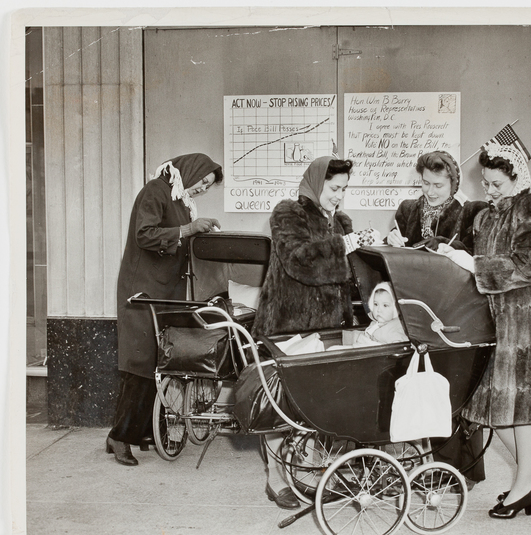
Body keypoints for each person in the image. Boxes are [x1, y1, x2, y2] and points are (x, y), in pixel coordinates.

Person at [437, 141, 531, 518]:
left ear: (516, 179)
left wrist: (474, 264)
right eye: (486, 184)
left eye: (497, 185)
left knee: (522, 407)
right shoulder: (487, 216)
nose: (489, 191)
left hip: (528, 326)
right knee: (492, 408)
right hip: (496, 322)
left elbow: (528, 266)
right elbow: (478, 266)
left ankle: (523, 486)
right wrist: (453, 259)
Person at [250, 156, 379, 509]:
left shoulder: (342, 222)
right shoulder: (287, 212)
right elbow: (300, 261)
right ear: (317, 183)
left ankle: (315, 467)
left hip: (329, 326)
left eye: (344, 190)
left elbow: (350, 274)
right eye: (334, 189)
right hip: (287, 325)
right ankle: (276, 479)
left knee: (322, 404)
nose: (339, 196)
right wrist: (346, 246)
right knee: (280, 409)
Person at [106, 153, 223, 466]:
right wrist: (188, 229)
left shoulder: (179, 200)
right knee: (140, 365)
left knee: (158, 364)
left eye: (208, 187)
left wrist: (197, 232)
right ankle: (119, 437)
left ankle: (144, 430)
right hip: (141, 293)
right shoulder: (156, 191)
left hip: (162, 293)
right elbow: (144, 235)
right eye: (202, 181)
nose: (202, 189)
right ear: (191, 171)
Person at [386, 150, 488, 487]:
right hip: (415, 308)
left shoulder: (470, 212)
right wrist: (394, 240)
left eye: (438, 185)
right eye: (426, 183)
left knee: (452, 391)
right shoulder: (406, 210)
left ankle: (458, 472)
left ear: (453, 182)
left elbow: (474, 263)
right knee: (419, 387)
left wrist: (444, 246)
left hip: (454, 311)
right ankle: (420, 466)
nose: (430, 190)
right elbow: (397, 254)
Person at [345, 281, 408, 346]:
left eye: (385, 305)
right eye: (376, 304)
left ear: (396, 308)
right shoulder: (375, 323)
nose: (379, 310)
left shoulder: (398, 327)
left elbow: (398, 349)